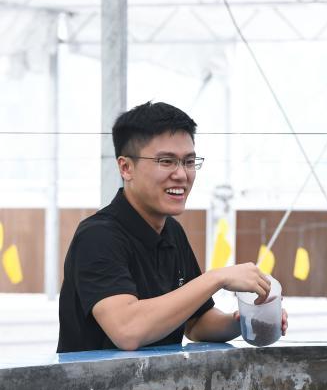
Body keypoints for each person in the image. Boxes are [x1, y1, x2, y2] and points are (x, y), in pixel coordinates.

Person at [57, 101, 287, 353]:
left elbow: (196, 323)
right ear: (126, 167)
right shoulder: (97, 237)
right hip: (93, 380)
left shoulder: (172, 232)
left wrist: (247, 319)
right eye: (166, 161)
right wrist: (217, 278)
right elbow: (127, 330)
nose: (181, 174)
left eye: (189, 162)